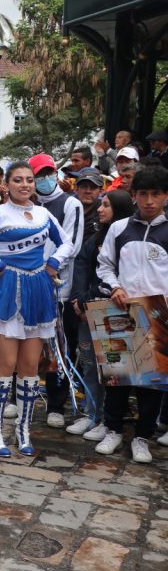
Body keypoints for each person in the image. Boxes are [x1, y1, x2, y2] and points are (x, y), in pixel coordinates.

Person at [0, 161, 74, 457]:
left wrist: (52, 264)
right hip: (4, 291)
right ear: (6, 185)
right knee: (6, 363)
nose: (25, 185)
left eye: (29, 180)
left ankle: (23, 429)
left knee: (29, 366)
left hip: (38, 290)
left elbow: (66, 244)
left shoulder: (43, 213)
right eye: (19, 180)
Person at [94, 166, 168, 462]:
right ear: (134, 195)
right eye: (143, 194)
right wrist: (115, 288)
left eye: (156, 194)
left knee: (153, 382)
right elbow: (104, 264)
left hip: (159, 315)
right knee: (118, 377)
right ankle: (112, 430)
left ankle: (141, 438)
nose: (149, 201)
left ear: (166, 195)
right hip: (120, 310)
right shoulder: (119, 228)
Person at [67, 188, 134, 440]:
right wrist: (79, 299)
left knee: (114, 368)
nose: (101, 209)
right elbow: (82, 266)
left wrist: (91, 297)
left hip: (113, 310)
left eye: (106, 205)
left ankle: (109, 419)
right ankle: (90, 413)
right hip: (86, 311)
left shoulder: (125, 238)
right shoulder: (95, 238)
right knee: (89, 363)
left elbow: (114, 273)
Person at [29, 153, 84, 428]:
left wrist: (48, 266)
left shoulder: (70, 204)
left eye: (49, 172)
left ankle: (56, 405)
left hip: (57, 288)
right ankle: (20, 397)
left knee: (59, 348)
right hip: (27, 285)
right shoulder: (26, 205)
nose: (45, 178)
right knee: (26, 342)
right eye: (40, 174)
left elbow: (71, 245)